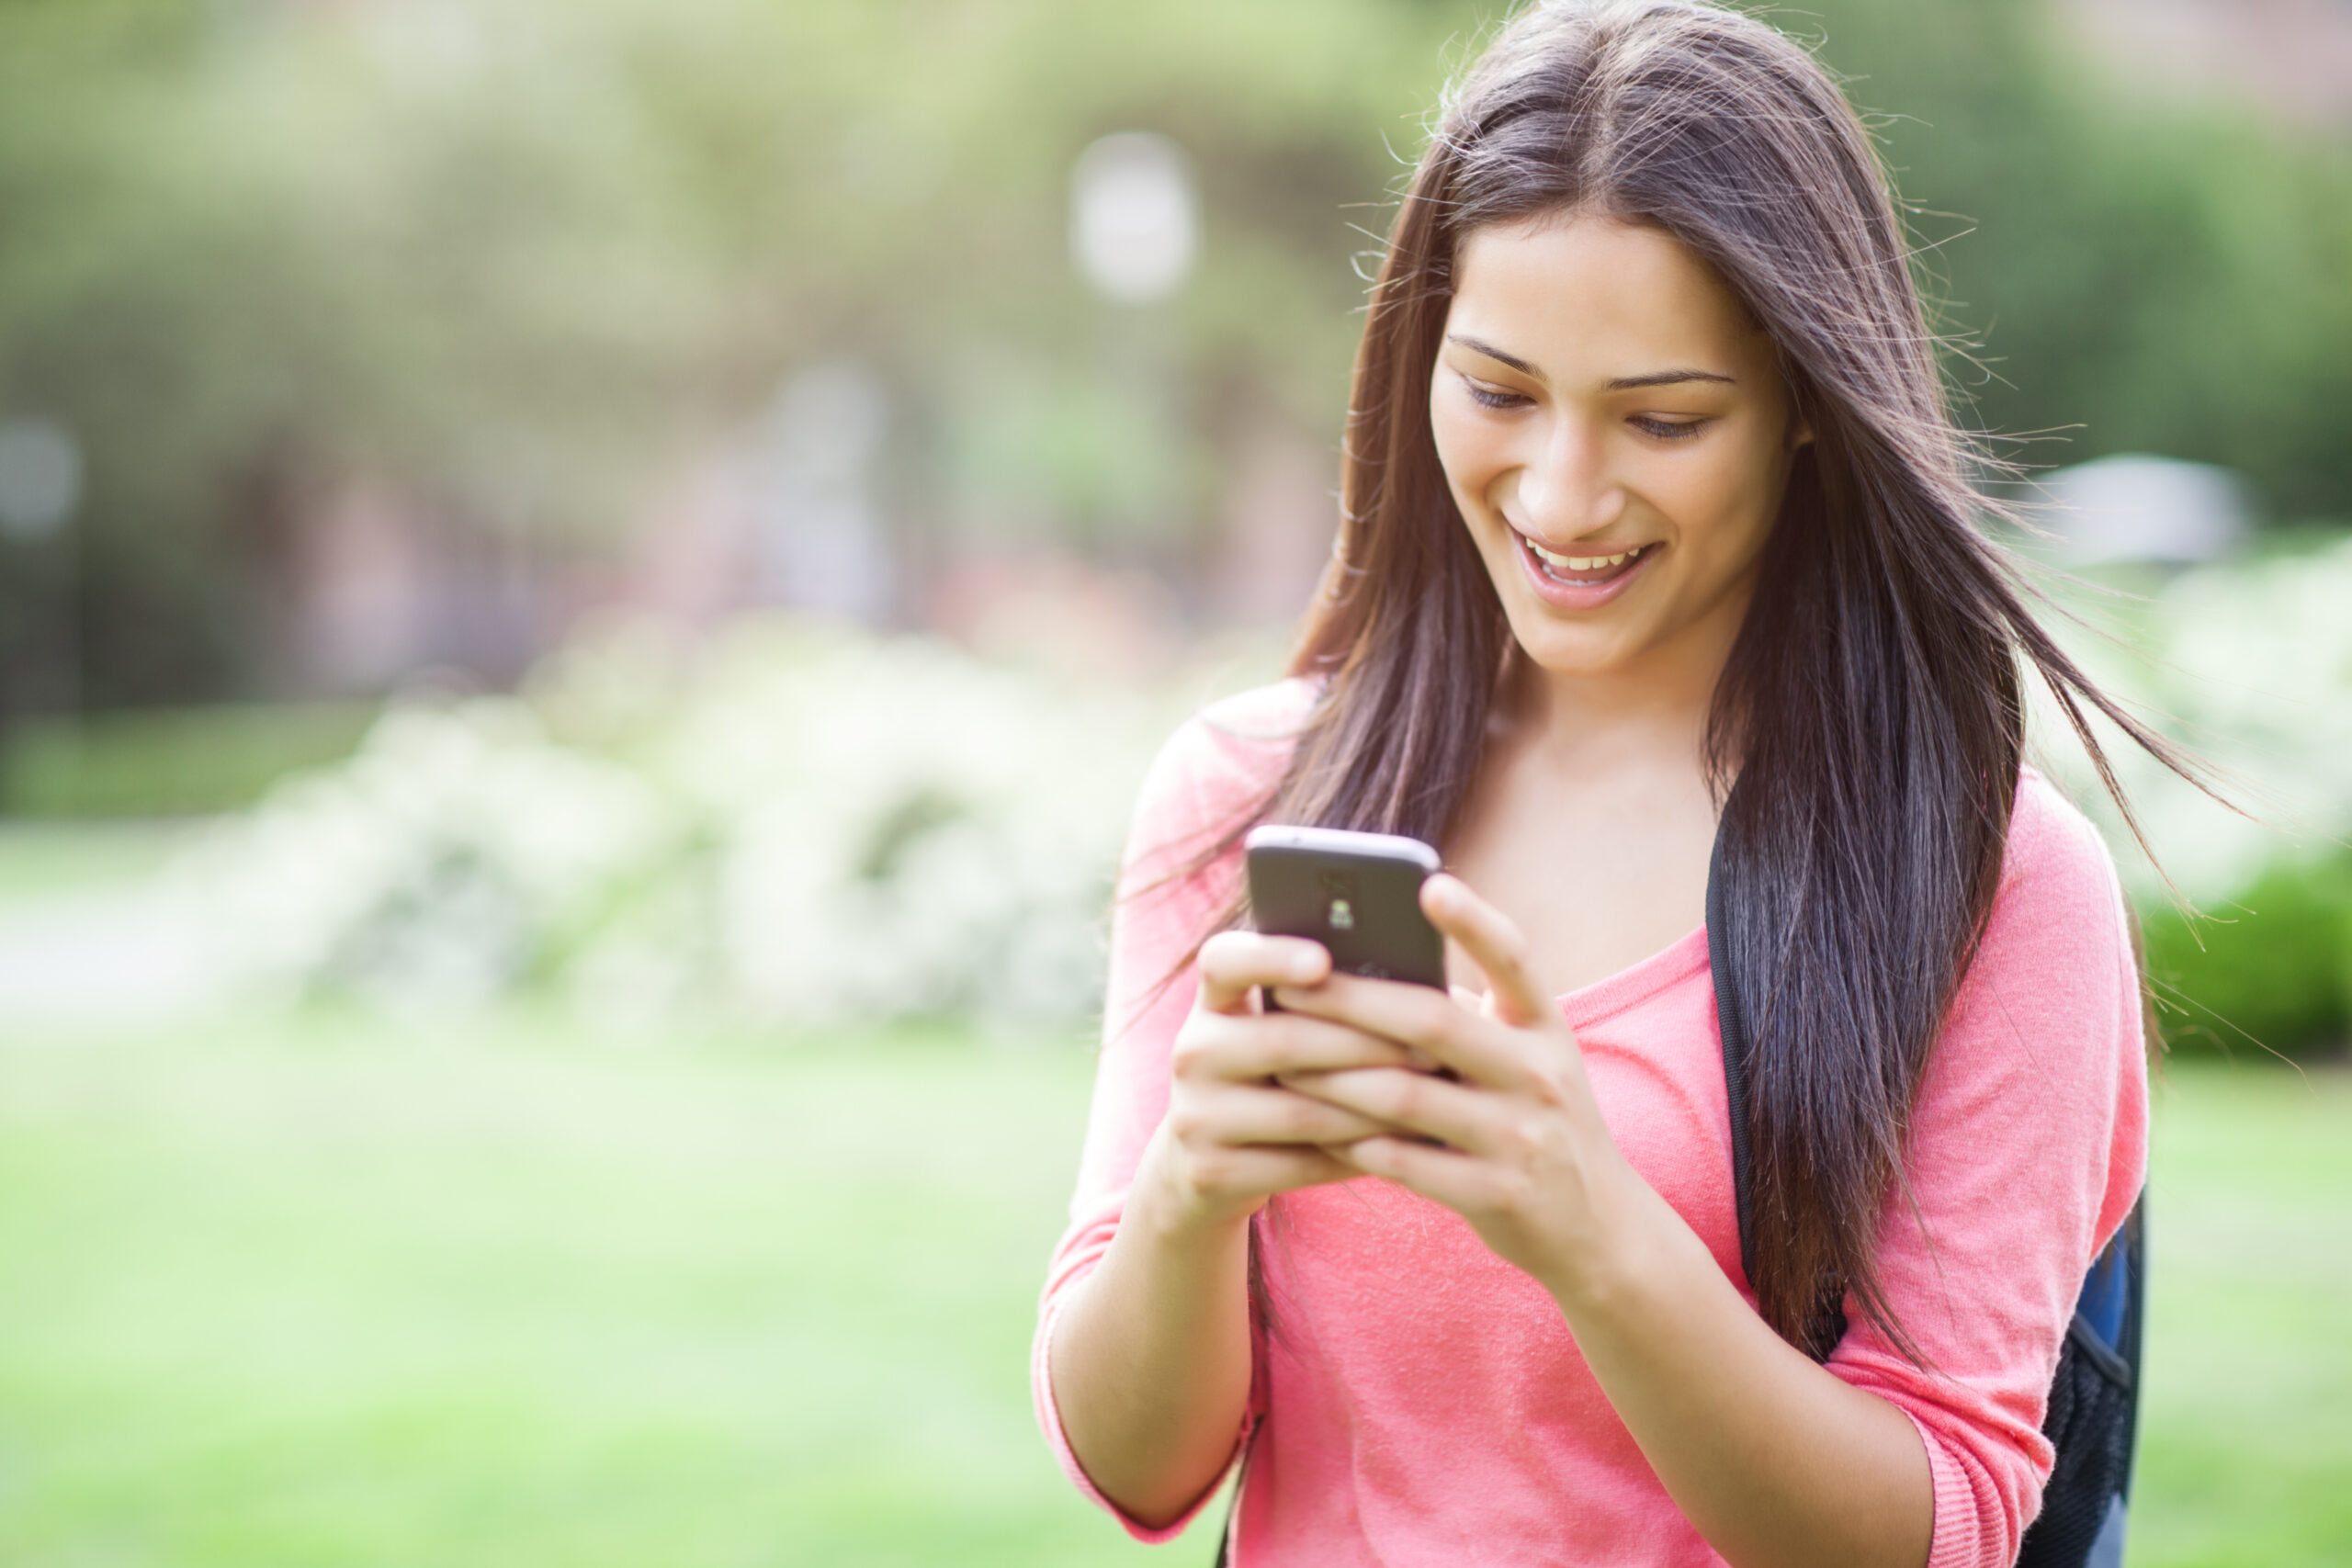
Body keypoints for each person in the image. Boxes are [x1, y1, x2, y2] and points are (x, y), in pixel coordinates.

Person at [1034, 4, 2188, 1564]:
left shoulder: (1990, 880)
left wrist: (1594, 1233)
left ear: (1801, 403)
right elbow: (1142, 1477)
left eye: (1663, 418)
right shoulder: (1254, 793)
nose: (1563, 494)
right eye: (1500, 392)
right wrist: (1189, 1195)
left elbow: (1946, 1524)